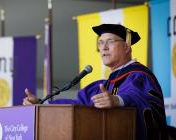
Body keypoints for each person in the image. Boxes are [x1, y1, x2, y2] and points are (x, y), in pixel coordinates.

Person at [23, 24, 168, 140]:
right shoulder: (102, 86)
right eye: (100, 43)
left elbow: (139, 98)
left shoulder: (139, 76)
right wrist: (41, 103)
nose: (103, 48)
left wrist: (118, 100)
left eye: (110, 42)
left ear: (126, 46)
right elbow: (76, 105)